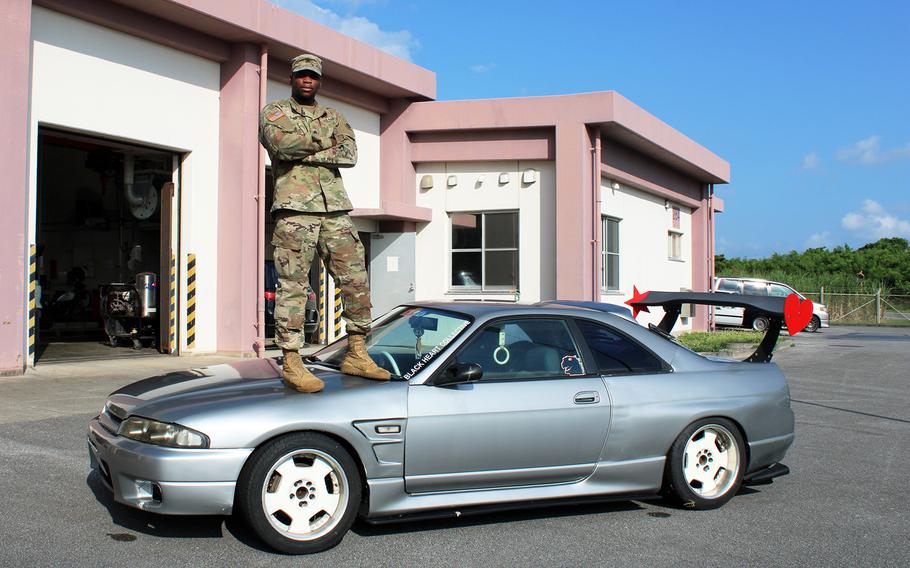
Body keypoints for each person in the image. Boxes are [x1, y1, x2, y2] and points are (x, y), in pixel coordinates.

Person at [259, 53, 390, 393]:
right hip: (295, 210)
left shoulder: (334, 115)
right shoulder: (274, 112)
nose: (307, 81)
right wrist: (324, 142)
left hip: (335, 210)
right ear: (292, 78)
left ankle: (357, 352)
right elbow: (281, 144)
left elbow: (349, 154)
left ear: (319, 81)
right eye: (302, 75)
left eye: (313, 77)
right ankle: (291, 359)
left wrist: (308, 147)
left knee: (355, 279)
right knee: (293, 285)